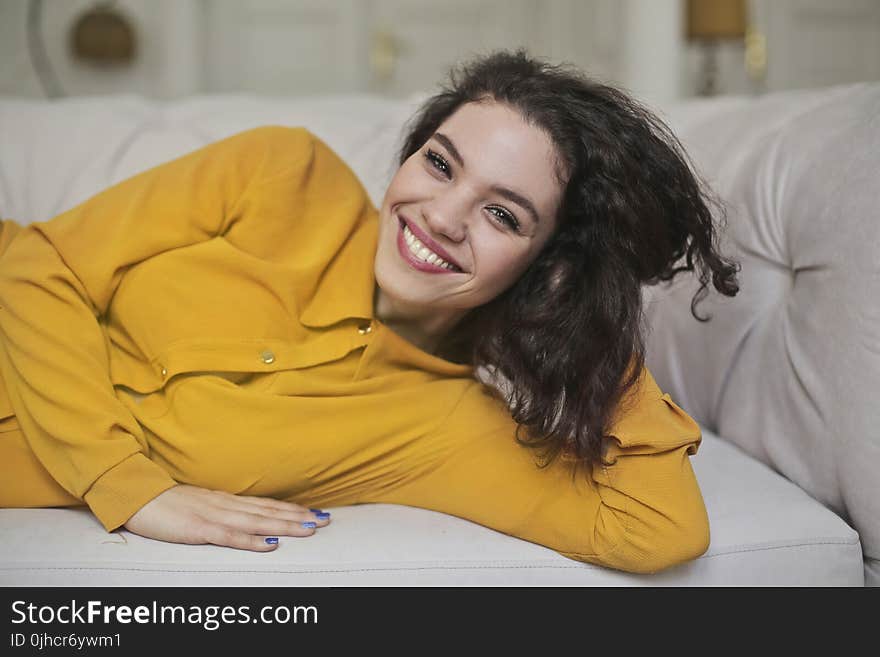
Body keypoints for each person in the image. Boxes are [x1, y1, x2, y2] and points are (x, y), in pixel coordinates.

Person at [0, 49, 739, 574]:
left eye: (503, 216)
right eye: (440, 163)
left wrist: (591, 322)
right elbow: (38, 264)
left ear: (549, 268)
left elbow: (656, 528)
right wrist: (128, 485)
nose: (442, 216)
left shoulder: (441, 425)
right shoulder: (282, 172)